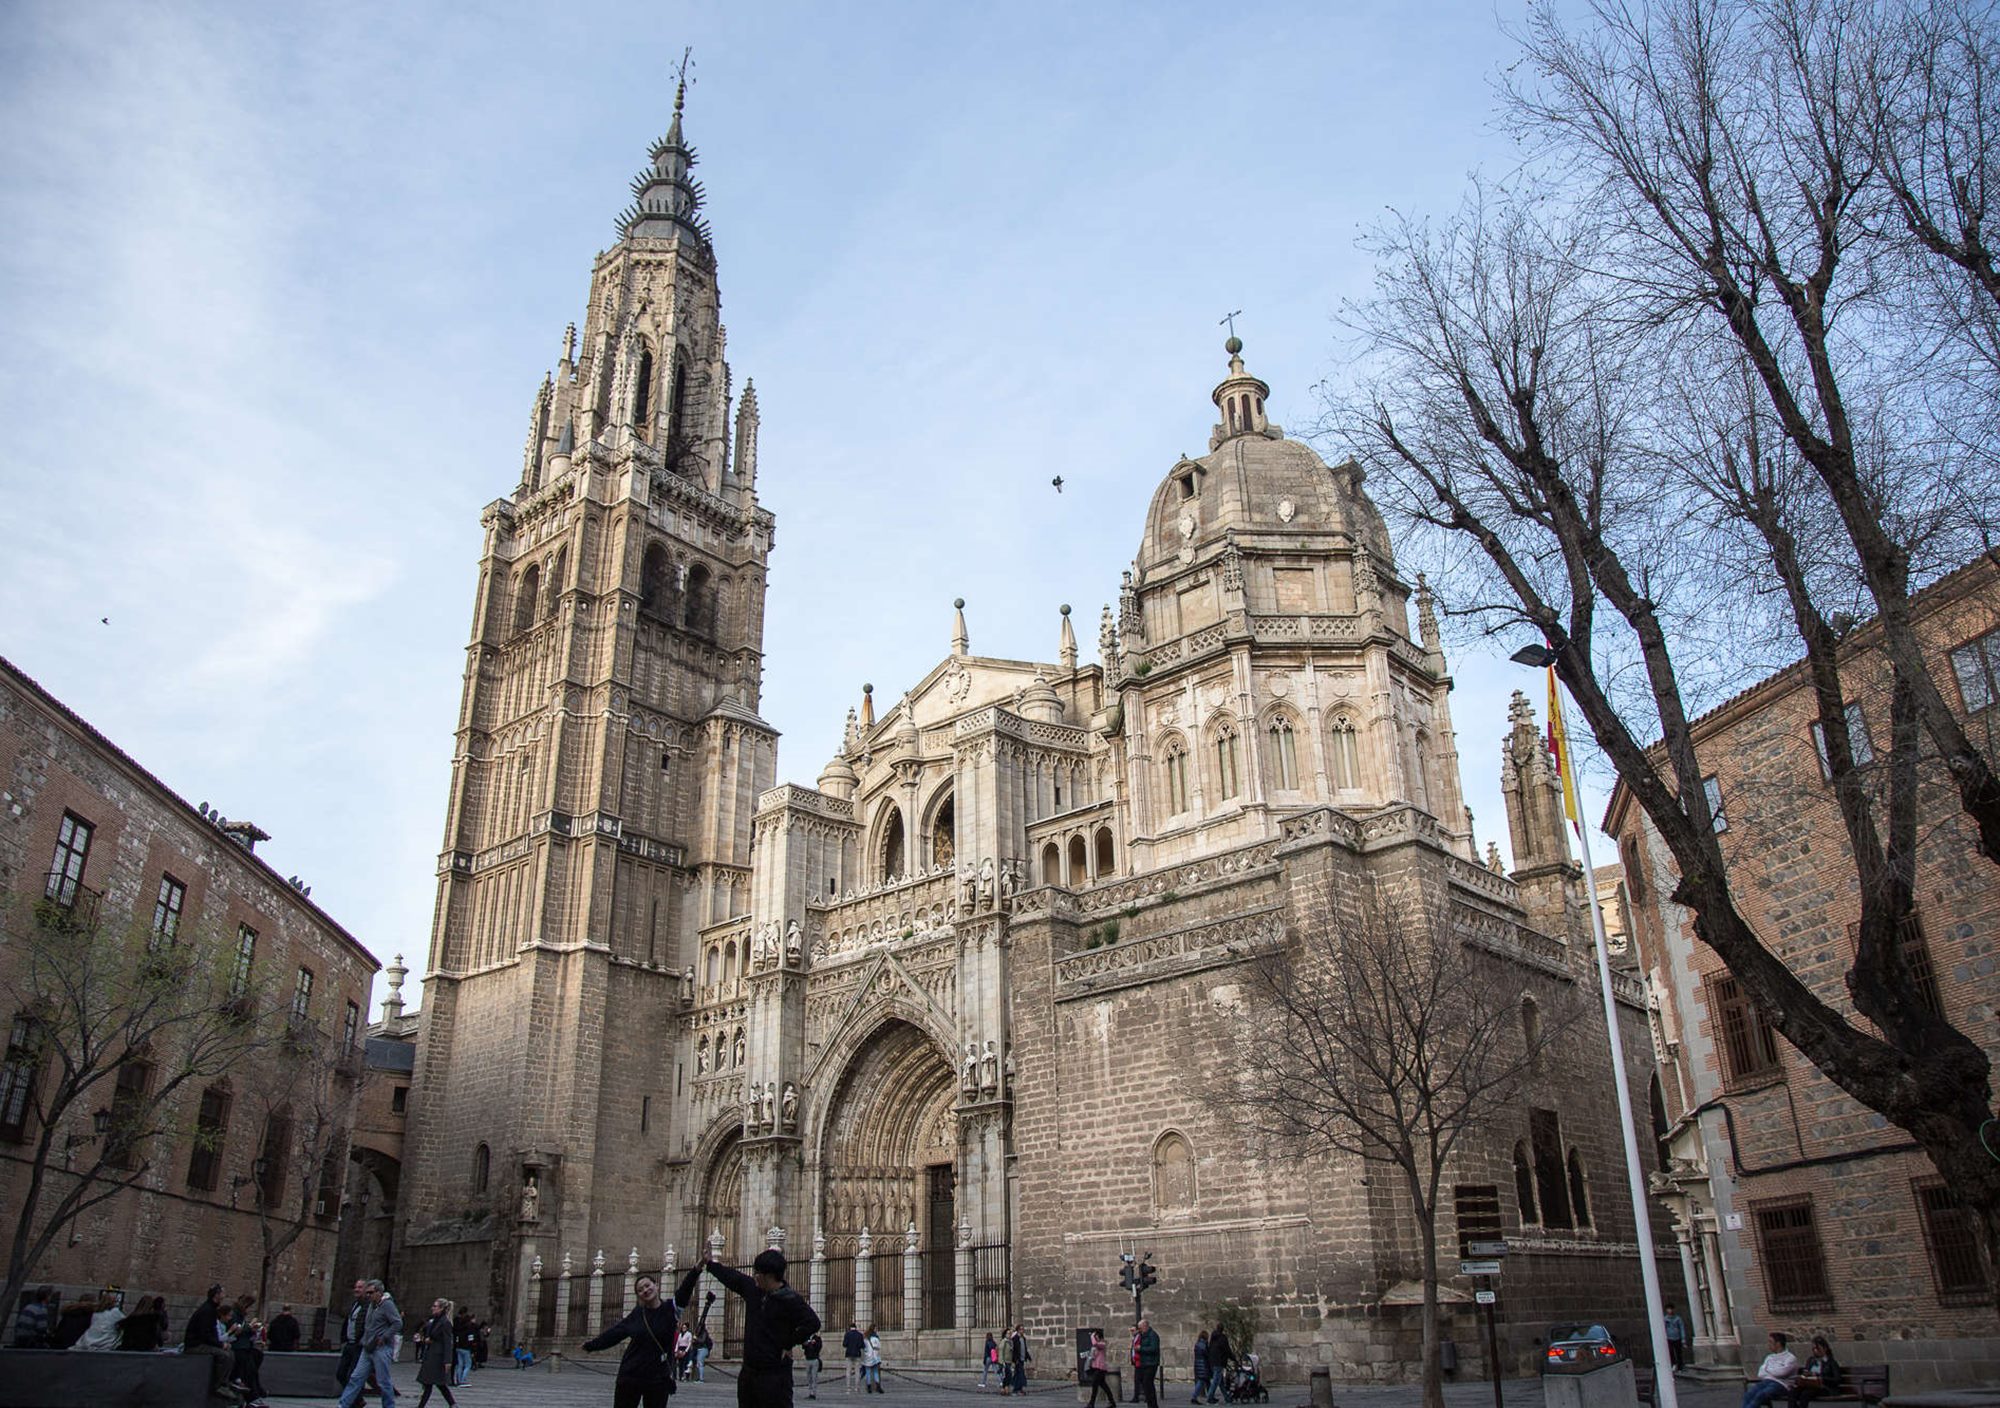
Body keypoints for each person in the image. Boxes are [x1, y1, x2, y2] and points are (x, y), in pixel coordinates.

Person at [679, 1251, 821, 1408]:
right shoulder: (754, 1290)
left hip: (775, 1375)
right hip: (749, 1373)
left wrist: (789, 1343)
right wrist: (710, 1264)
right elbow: (733, 1278)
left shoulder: (791, 1299)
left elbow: (813, 1322)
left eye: (757, 1273)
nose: (754, 1276)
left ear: (769, 1276)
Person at [581, 1273, 679, 1408]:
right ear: (638, 1296)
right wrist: (591, 1345)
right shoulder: (638, 1313)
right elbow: (616, 1333)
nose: (645, 1290)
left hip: (658, 1378)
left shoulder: (669, 1309)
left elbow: (686, 1290)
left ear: (656, 1285)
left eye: (647, 1285)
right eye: (640, 1290)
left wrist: (698, 1267)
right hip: (631, 1375)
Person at [339, 1279, 403, 1408]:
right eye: (367, 1293)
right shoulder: (371, 1305)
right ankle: (343, 1405)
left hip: (381, 1348)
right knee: (355, 1378)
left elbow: (398, 1323)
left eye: (371, 1292)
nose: (368, 1295)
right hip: (367, 1347)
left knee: (383, 1381)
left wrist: (384, 1337)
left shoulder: (387, 1305)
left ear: (379, 1292)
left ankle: (389, 1406)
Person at [183, 1284, 238, 1404]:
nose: (224, 1295)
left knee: (230, 1354)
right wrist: (220, 1345)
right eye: (222, 1293)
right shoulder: (207, 1310)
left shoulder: (211, 1309)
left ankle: (225, 1382)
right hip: (195, 1345)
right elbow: (205, 1334)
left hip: (202, 1342)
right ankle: (218, 1385)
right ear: (216, 1295)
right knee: (225, 1355)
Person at [414, 1296, 459, 1408]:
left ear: (442, 1308)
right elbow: (431, 1336)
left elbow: (448, 1343)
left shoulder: (445, 1323)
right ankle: (452, 1404)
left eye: (435, 1306)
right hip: (431, 1355)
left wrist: (448, 1361)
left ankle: (422, 1406)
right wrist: (426, 1339)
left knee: (432, 1383)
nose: (432, 1308)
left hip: (437, 1358)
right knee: (436, 1384)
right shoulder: (435, 1321)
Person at [1742, 1332, 1800, 1408]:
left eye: (1770, 1342)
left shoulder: (1790, 1358)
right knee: (1749, 1394)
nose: (1768, 1344)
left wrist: (1768, 1369)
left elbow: (1782, 1373)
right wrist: (1773, 1370)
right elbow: (1761, 1373)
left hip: (1782, 1384)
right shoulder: (1769, 1357)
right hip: (1766, 1382)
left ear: (1778, 1344)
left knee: (1761, 1395)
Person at [1792, 1337, 1842, 1408]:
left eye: (1818, 1348)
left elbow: (1837, 1379)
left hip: (1824, 1387)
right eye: (1813, 1349)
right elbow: (1806, 1372)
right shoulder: (1811, 1361)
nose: (1815, 1351)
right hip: (1809, 1385)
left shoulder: (1831, 1363)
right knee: (1793, 1392)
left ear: (1825, 1349)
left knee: (1806, 1394)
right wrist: (1804, 1376)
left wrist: (1820, 1377)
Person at [1084, 1330, 1115, 1408]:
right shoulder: (1098, 1345)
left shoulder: (1102, 1344)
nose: (1095, 1337)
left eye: (1096, 1336)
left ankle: (1091, 1403)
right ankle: (1112, 1402)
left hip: (1100, 1368)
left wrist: (1092, 1336)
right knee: (1104, 1386)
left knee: (1095, 1385)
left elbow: (1094, 1343)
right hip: (1096, 1368)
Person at [1135, 1319, 1161, 1408]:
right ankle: (1151, 1404)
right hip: (1145, 1363)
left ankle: (1153, 1405)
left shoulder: (1153, 1335)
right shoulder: (1143, 1335)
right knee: (1146, 1384)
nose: (1139, 1330)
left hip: (1151, 1363)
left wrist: (1141, 1348)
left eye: (1140, 1328)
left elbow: (1154, 1349)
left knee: (1148, 1383)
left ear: (1145, 1326)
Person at [1206, 1326, 1236, 1405]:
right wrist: (1234, 1358)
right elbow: (1227, 1350)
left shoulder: (1213, 1338)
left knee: (1220, 1382)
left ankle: (1227, 1398)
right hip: (1219, 1362)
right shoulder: (1222, 1338)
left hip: (1212, 1361)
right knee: (1216, 1381)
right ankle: (1209, 1398)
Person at [452, 1307, 475, 1386]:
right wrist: (472, 1350)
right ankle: (463, 1380)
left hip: (459, 1347)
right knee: (468, 1365)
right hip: (466, 1348)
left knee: (460, 1364)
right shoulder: (469, 1329)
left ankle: (458, 1379)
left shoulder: (459, 1329)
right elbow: (471, 1340)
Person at [1663, 1305, 1687, 1374]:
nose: (1670, 1311)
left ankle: (1680, 1367)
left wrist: (1683, 1339)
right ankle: (1673, 1364)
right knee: (1671, 1352)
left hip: (1677, 1337)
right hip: (1669, 1338)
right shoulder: (1665, 1319)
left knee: (1678, 1353)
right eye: (1668, 1309)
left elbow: (1681, 1328)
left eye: (1671, 1309)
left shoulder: (1678, 1319)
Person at [1007, 1326, 1031, 1395]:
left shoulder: (1023, 1338)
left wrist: (1028, 1357)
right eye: (1021, 1329)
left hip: (1022, 1358)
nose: (1022, 1331)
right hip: (1018, 1359)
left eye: (1023, 1329)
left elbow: (1025, 1349)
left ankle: (1016, 1387)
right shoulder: (1015, 1339)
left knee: (1017, 1374)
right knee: (1020, 1373)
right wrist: (1015, 1359)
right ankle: (1018, 1388)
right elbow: (1014, 1350)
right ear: (1018, 1330)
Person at [843, 1323, 865, 1394]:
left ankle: (848, 1388)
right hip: (857, 1354)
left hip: (849, 1354)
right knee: (857, 1372)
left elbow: (844, 1344)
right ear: (856, 1327)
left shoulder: (847, 1334)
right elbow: (862, 1345)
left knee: (848, 1371)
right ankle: (857, 1388)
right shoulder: (860, 1335)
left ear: (850, 1327)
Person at [1191, 1331, 1212, 1405]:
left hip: (1198, 1365)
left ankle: (1210, 1397)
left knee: (1205, 1381)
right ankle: (1194, 1397)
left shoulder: (1197, 1344)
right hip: (1203, 1365)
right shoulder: (1203, 1345)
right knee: (1201, 1382)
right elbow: (1207, 1354)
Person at [862, 1324, 883, 1394]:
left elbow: (863, 1347)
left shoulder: (865, 1338)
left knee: (868, 1372)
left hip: (867, 1357)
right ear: (874, 1329)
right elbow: (879, 1347)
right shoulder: (875, 1338)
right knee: (875, 1372)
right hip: (874, 1357)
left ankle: (869, 1387)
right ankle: (878, 1386)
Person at [804, 1328, 824, 1399]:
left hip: (815, 1359)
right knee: (809, 1377)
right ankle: (810, 1392)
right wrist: (806, 1343)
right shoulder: (806, 1337)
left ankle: (813, 1393)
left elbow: (819, 1347)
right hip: (807, 1359)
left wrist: (814, 1343)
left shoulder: (817, 1338)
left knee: (814, 1376)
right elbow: (803, 1346)